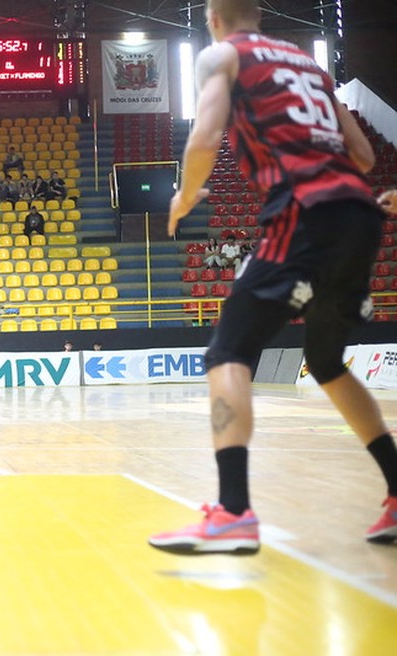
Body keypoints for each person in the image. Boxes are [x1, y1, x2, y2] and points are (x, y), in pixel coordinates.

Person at [152, 0, 397, 554]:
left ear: (213, 18)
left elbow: (205, 137)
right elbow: (360, 154)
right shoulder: (312, 68)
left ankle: (233, 512)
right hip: (360, 214)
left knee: (227, 353)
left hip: (303, 210)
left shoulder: (224, 56)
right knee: (329, 363)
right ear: (258, 14)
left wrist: (185, 196)